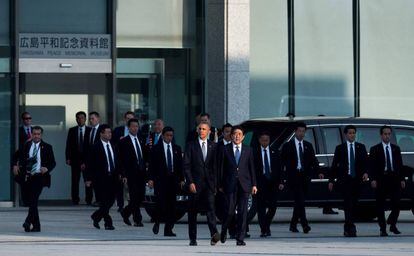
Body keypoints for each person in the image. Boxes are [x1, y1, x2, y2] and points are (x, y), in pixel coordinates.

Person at [281, 122, 323, 234]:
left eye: (303, 131)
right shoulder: (288, 146)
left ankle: (293, 224)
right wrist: (282, 178)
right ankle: (305, 224)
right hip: (293, 177)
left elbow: (314, 160)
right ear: (295, 132)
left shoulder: (308, 145)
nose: (301, 133)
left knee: (299, 202)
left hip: (304, 177)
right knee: (300, 201)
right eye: (299, 131)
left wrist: (319, 172)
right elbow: (282, 163)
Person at [219, 125, 257, 246]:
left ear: (243, 137)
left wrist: (254, 184)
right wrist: (219, 184)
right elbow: (220, 169)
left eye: (239, 134)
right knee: (229, 212)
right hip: (229, 185)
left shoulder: (248, 150)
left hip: (244, 185)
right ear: (231, 136)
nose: (237, 136)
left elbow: (252, 168)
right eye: (235, 134)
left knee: (242, 212)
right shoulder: (225, 149)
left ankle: (240, 238)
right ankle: (224, 231)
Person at [184, 122, 220, 246]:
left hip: (209, 184)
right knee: (193, 211)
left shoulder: (214, 146)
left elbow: (216, 167)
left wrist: (215, 183)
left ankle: (214, 234)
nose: (201, 131)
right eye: (199, 128)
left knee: (211, 209)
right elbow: (187, 166)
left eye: (204, 129)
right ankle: (192, 238)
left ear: (209, 131)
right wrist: (190, 182)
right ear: (197, 130)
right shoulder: (191, 145)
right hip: (195, 184)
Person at [328, 125, 368, 237]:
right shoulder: (340, 148)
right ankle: (351, 228)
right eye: (350, 133)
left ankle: (347, 227)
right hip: (345, 180)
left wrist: (365, 172)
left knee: (354, 204)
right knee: (347, 204)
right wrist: (331, 180)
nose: (352, 135)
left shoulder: (361, 147)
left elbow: (365, 162)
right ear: (346, 135)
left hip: (357, 180)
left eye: (353, 133)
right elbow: (334, 165)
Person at [17, 126, 56, 232]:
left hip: (40, 177)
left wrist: (47, 168)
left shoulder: (47, 147)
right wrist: (14, 165)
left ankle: (28, 221)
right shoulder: (26, 145)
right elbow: (16, 155)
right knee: (30, 202)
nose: (36, 136)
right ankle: (37, 226)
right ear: (31, 134)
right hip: (28, 176)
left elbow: (53, 162)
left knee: (34, 199)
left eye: (38, 134)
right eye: (34, 134)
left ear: (41, 135)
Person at [369, 125, 405, 236]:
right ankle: (383, 228)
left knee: (397, 203)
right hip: (381, 179)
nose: (387, 136)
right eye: (385, 134)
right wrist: (373, 179)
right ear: (381, 135)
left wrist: (402, 179)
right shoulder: (375, 149)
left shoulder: (395, 148)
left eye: (389, 134)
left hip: (394, 178)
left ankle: (392, 224)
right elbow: (372, 166)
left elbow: (400, 165)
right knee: (380, 205)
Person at [148, 126, 184, 236]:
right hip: (160, 180)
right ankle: (157, 222)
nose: (169, 138)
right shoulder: (156, 149)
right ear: (163, 136)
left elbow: (180, 166)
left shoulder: (177, 148)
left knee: (172, 206)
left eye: (171, 136)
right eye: (167, 135)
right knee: (160, 204)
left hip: (173, 181)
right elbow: (151, 166)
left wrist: (182, 179)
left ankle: (168, 229)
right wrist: (150, 179)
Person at [88, 124, 120, 230]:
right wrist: (89, 179)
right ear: (101, 133)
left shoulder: (113, 145)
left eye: (110, 132)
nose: (110, 134)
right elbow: (91, 164)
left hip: (113, 177)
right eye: (107, 132)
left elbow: (117, 161)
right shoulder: (95, 147)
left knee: (110, 201)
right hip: (101, 178)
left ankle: (96, 216)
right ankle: (108, 223)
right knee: (104, 201)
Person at [254, 131, 284, 238]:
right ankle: (264, 229)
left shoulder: (275, 152)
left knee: (273, 207)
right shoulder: (255, 153)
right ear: (259, 140)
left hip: (273, 183)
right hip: (260, 183)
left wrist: (281, 181)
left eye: (267, 140)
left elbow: (280, 168)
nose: (265, 142)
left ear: (269, 140)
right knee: (261, 208)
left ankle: (266, 224)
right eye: (263, 140)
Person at [118, 118, 147, 227]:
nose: (135, 128)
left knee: (140, 197)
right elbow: (120, 159)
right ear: (129, 127)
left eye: (137, 126)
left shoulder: (141, 139)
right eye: (133, 126)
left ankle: (125, 212)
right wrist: (123, 174)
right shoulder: (123, 141)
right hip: (131, 173)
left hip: (141, 173)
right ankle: (137, 219)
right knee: (134, 196)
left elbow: (145, 156)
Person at [65, 111, 92, 205]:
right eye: (78, 118)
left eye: (82, 118)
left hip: (87, 160)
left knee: (88, 180)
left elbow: (91, 147)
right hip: (75, 159)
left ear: (85, 119)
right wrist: (68, 157)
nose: (80, 119)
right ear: (76, 119)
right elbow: (68, 145)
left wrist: (88, 160)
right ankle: (75, 200)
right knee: (75, 180)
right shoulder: (72, 130)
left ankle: (89, 200)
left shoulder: (90, 130)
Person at [112, 110, 135, 212]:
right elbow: (112, 143)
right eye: (128, 118)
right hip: (120, 160)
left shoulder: (137, 131)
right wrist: (119, 141)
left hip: (132, 161)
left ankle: (131, 204)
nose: (129, 120)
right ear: (125, 119)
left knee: (131, 185)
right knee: (119, 184)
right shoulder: (117, 130)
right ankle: (120, 205)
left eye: (131, 118)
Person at [12, 112, 34, 206]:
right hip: (22, 159)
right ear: (22, 120)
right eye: (25, 118)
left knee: (33, 181)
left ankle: (32, 201)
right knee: (24, 181)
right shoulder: (18, 131)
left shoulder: (34, 130)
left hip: (33, 159)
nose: (27, 120)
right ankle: (26, 202)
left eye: (29, 118)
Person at [86, 111, 101, 205]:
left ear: (98, 119)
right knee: (92, 180)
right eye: (90, 119)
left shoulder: (102, 130)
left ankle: (100, 199)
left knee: (99, 181)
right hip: (90, 161)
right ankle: (96, 199)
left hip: (99, 161)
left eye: (93, 118)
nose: (91, 120)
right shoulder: (89, 130)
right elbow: (86, 147)